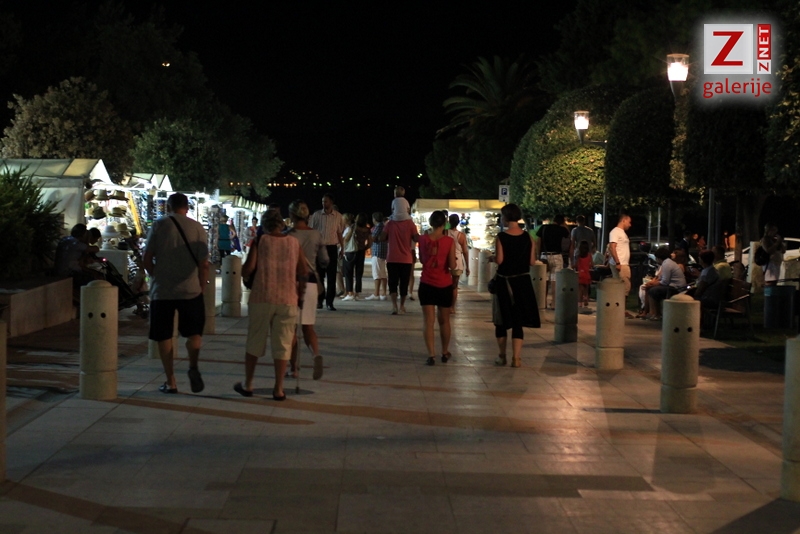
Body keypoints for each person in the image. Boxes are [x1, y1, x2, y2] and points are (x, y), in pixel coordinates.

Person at [234, 210, 307, 400]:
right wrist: (301, 294)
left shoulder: (261, 241)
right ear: (281, 224)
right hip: (288, 298)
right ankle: (279, 389)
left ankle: (249, 384)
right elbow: (303, 271)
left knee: (255, 340)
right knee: (283, 344)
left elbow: (248, 269)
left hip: (262, 297)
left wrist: (244, 272)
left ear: (264, 225)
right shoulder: (294, 243)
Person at [143, 193, 210, 394]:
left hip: (162, 291)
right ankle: (193, 365)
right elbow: (204, 264)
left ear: (168, 207)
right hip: (190, 290)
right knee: (194, 333)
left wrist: (156, 276)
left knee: (163, 334)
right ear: (187, 207)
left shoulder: (159, 225)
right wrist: (201, 285)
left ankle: (170, 380)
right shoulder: (197, 228)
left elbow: (147, 259)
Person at [493, 203, 540, 368]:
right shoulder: (528, 237)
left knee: (501, 320)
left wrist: (493, 258)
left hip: (504, 281)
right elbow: (532, 262)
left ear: (506, 217)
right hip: (522, 282)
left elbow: (500, 260)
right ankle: (516, 358)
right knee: (518, 320)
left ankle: (502, 356)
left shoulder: (501, 237)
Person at [286, 200, 328, 380]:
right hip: (310, 282)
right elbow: (325, 260)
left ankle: (294, 367)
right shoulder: (316, 235)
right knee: (308, 327)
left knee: (290, 328)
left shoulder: (288, 235)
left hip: (291, 282)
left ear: (292, 215)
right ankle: (315, 354)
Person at [418, 211, 455, 366]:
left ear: (431, 222)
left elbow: (421, 259)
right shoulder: (449, 241)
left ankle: (431, 355)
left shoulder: (423, 239)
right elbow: (452, 265)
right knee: (444, 321)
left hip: (426, 283)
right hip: (444, 284)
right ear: (444, 223)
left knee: (428, 321)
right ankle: (444, 352)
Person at [379, 209, 419, 315]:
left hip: (392, 258)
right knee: (404, 283)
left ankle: (394, 306)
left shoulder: (390, 224)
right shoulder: (410, 224)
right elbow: (416, 238)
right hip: (406, 259)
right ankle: (402, 306)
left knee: (392, 283)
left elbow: (382, 237)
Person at [309, 193, 344, 311]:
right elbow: (311, 231)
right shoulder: (317, 215)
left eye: (326, 201)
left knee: (331, 276)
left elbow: (339, 233)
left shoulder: (338, 216)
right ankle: (319, 300)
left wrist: (342, 248)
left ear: (331, 203)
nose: (324, 203)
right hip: (319, 247)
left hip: (332, 247)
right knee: (319, 275)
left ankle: (330, 302)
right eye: (323, 201)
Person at [536, 214, 570, 308]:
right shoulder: (561, 229)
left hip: (544, 256)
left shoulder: (543, 228)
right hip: (557, 255)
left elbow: (538, 242)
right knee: (555, 280)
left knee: (544, 279)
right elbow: (568, 235)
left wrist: (538, 255)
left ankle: (543, 302)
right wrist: (564, 225)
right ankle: (554, 303)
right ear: (562, 222)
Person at [644, 246, 687, 320]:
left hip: (676, 288)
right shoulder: (667, 263)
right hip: (674, 286)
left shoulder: (667, 264)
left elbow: (665, 281)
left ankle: (656, 314)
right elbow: (661, 278)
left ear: (659, 258)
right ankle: (652, 312)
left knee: (653, 290)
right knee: (651, 289)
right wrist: (652, 284)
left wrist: (653, 284)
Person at [54, 224, 103, 288]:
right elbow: (95, 249)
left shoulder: (65, 239)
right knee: (96, 281)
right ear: (84, 235)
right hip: (69, 272)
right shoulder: (76, 243)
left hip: (61, 270)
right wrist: (87, 240)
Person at [342, 212, 371, 300]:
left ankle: (350, 292)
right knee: (359, 273)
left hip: (351, 251)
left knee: (348, 272)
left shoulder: (353, 227)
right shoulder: (367, 229)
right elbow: (370, 242)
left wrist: (343, 247)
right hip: (361, 252)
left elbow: (346, 239)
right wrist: (365, 247)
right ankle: (357, 293)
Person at [447, 213, 470, 313]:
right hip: (458, 262)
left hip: (446, 262)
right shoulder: (461, 236)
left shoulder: (445, 233)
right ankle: (452, 307)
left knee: (445, 285)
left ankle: (446, 305)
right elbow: (465, 252)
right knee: (454, 286)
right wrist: (467, 266)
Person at [366, 212, 388, 300]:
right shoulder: (384, 226)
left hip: (377, 252)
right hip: (383, 252)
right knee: (383, 274)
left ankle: (376, 294)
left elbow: (373, 238)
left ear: (374, 219)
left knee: (376, 274)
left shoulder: (378, 227)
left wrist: (369, 235)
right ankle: (384, 293)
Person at [608, 214, 632, 296]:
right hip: (621, 263)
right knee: (625, 286)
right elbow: (612, 247)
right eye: (629, 222)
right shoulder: (615, 232)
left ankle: (619, 302)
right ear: (623, 220)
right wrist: (617, 262)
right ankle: (621, 303)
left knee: (621, 285)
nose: (630, 225)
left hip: (622, 263)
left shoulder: (621, 233)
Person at [575, 240, 592, 309]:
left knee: (580, 290)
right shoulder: (589, 255)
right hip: (587, 274)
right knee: (586, 289)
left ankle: (579, 303)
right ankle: (585, 299)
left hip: (580, 275)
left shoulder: (578, 256)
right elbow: (592, 264)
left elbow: (576, 265)